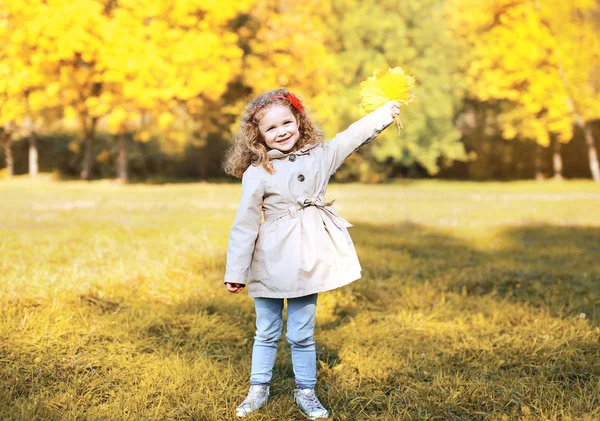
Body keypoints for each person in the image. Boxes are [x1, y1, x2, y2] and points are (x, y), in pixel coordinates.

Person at [223, 87, 400, 419]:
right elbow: (245, 224)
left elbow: (352, 137)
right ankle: (258, 388)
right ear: (257, 136)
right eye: (271, 128)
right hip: (271, 257)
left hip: (307, 256)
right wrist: (236, 271)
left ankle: (306, 390)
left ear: (298, 121)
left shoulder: (320, 156)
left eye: (286, 122)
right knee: (267, 328)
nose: (281, 132)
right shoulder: (257, 172)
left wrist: (383, 114)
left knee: (302, 330)